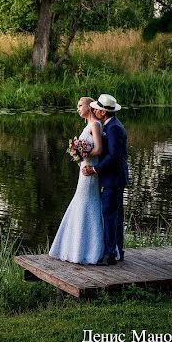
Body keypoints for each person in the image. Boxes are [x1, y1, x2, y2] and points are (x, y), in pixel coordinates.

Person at [48, 97, 106, 264]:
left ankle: (91, 249)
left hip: (91, 172)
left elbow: (98, 149)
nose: (78, 109)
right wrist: (78, 156)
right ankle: (76, 247)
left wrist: (83, 153)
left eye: (81, 106)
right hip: (84, 170)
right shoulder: (86, 126)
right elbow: (85, 151)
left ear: (89, 106)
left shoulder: (95, 124)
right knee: (81, 202)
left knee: (87, 202)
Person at [83, 94, 128, 265]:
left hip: (114, 179)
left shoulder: (114, 128)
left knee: (109, 215)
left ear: (103, 112)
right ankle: (117, 251)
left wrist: (95, 169)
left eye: (96, 109)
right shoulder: (110, 125)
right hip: (113, 178)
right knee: (114, 215)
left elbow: (114, 156)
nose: (94, 110)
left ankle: (110, 254)